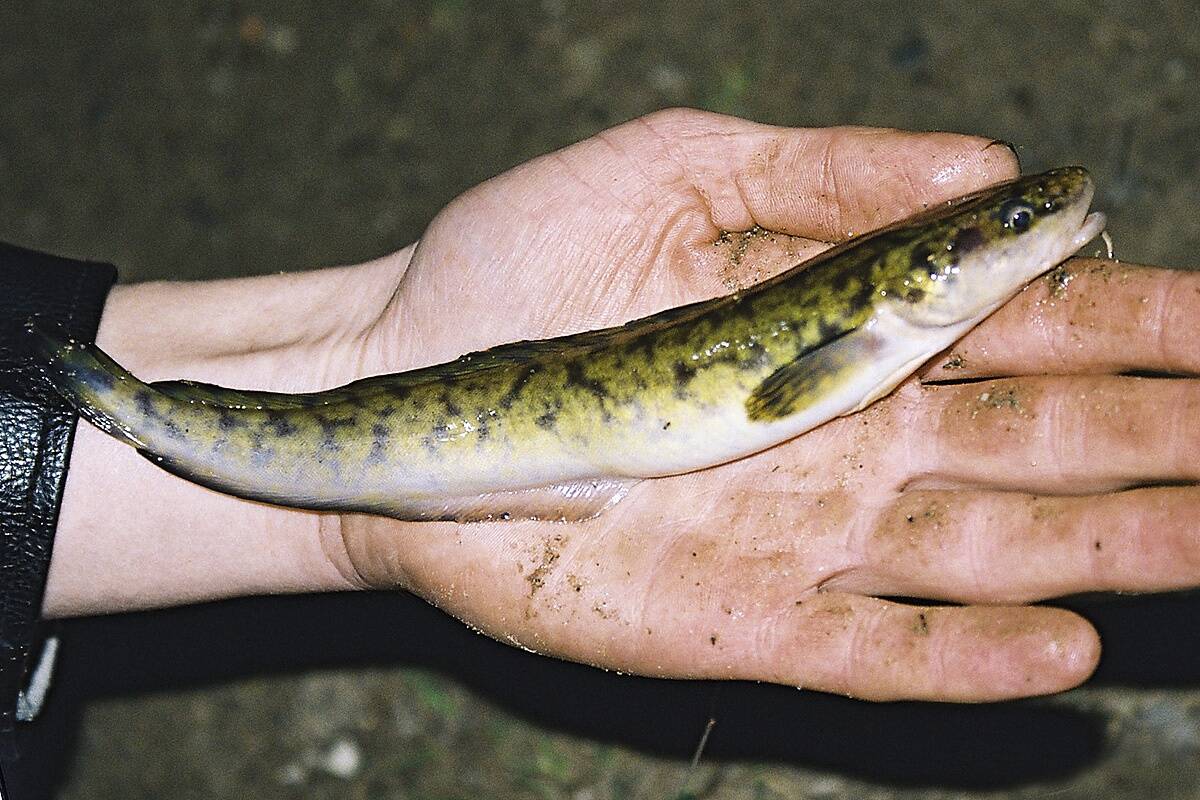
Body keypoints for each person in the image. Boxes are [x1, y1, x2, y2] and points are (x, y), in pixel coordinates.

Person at [6, 109, 1200, 725]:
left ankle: (83, 383)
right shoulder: (877, 318)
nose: (1037, 226)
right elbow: (787, 388)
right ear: (914, 277)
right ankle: (91, 386)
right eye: (1002, 231)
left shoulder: (895, 315)